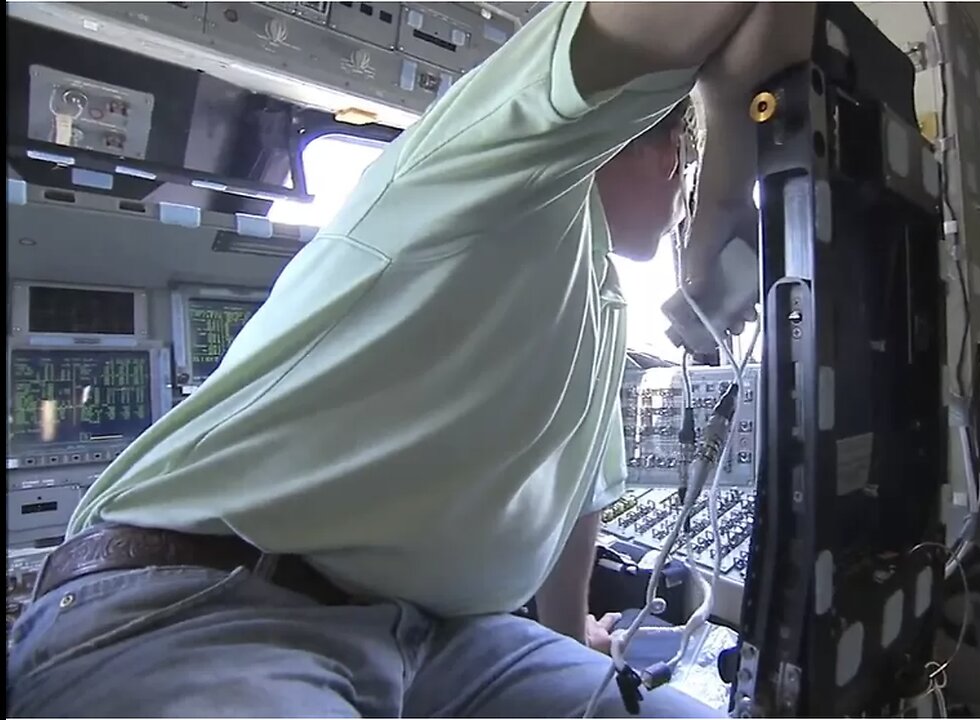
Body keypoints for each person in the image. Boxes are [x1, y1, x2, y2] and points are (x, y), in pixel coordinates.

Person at [7, 2, 814, 716]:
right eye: (679, 149)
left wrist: (577, 647)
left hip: (439, 640)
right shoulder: (497, 155)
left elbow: (577, 507)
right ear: (639, 140)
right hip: (211, 599)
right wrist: (719, 204)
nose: (682, 174)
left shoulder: (600, 297)